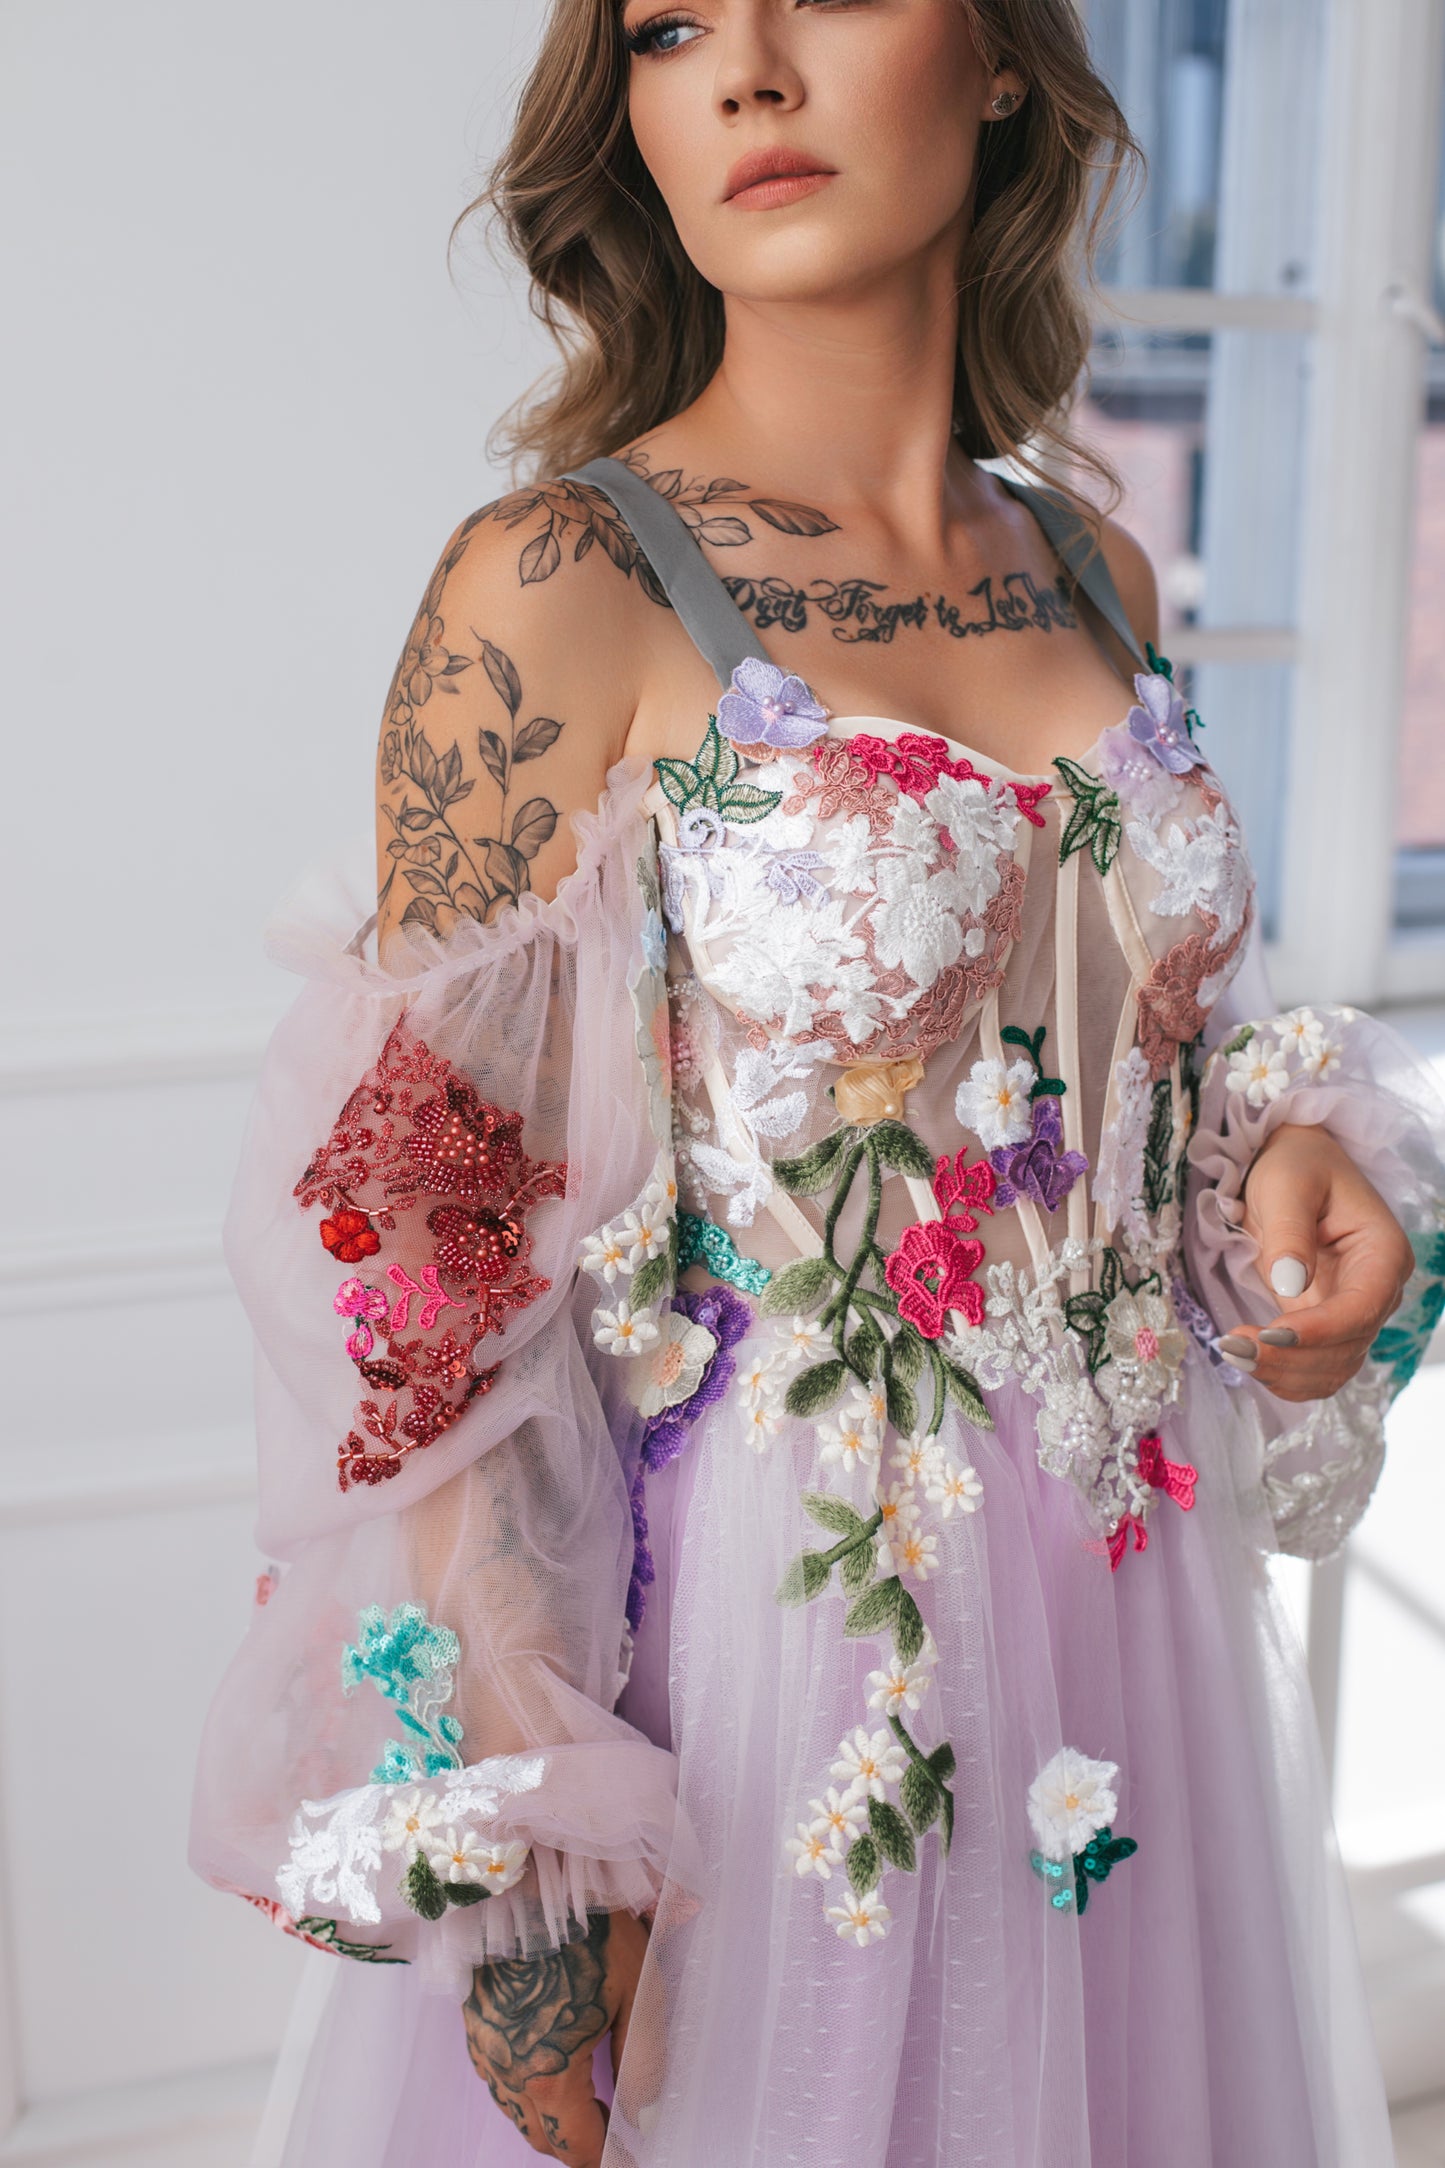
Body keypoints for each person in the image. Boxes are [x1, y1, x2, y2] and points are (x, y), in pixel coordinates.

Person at [189, 0, 1445, 2160]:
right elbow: (430, 1261)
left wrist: (1279, 1167)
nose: (750, 70)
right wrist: (530, 1819)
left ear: (1004, 61)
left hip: (1125, 1636)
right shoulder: (561, 589)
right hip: (786, 1652)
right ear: (641, 120)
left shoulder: (1092, 568)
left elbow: (1101, 1077)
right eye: (671, 28)